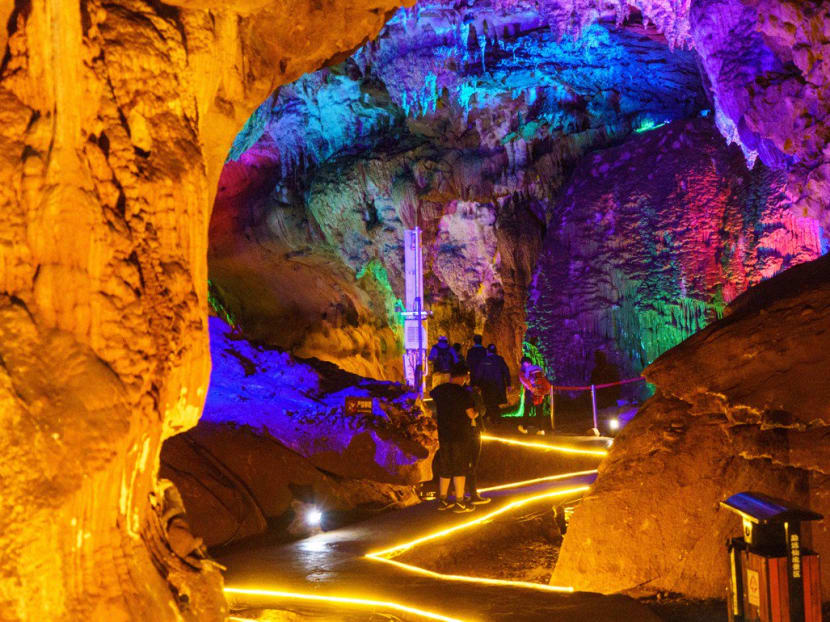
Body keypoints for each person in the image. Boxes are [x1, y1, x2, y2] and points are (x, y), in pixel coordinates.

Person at [429, 363, 477, 513]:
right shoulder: (463, 393)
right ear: (463, 377)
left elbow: (432, 395)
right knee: (460, 467)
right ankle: (460, 502)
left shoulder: (439, 391)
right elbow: (470, 414)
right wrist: (477, 413)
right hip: (460, 434)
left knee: (445, 466)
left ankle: (442, 500)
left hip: (444, 433)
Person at [464, 383, 491, 505]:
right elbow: (477, 412)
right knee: (472, 463)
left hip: (460, 432)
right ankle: (472, 494)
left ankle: (462, 493)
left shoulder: (455, 392)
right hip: (472, 431)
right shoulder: (472, 394)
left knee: (464, 463)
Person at [476, 344, 511, 424]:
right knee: (494, 403)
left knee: (490, 402)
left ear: (487, 351)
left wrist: (477, 384)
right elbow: (506, 371)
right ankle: (495, 418)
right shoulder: (500, 360)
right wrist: (508, 384)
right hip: (499, 385)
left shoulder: (484, 360)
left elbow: (479, 373)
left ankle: (494, 419)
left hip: (487, 386)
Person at [518, 356, 552, 435]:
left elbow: (525, 380)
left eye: (524, 363)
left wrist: (532, 389)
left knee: (527, 410)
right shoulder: (538, 369)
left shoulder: (523, 371)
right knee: (539, 411)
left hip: (531, 393)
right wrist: (544, 390)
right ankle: (541, 429)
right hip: (539, 392)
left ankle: (524, 428)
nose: (526, 365)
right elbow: (544, 378)